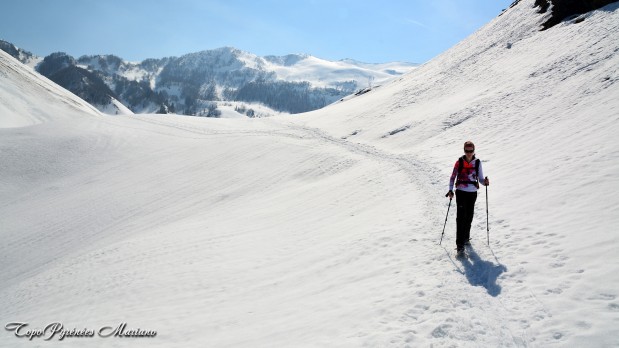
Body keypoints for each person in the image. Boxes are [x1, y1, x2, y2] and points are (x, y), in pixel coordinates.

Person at [446, 141, 489, 253]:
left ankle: (466, 238)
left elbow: (480, 178)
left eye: (471, 151)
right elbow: (452, 177)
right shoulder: (459, 162)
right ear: (464, 150)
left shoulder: (478, 163)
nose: (469, 153)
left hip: (472, 193)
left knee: (469, 216)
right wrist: (450, 190)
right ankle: (460, 245)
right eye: (467, 151)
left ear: (474, 151)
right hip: (460, 192)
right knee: (460, 218)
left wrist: (485, 182)